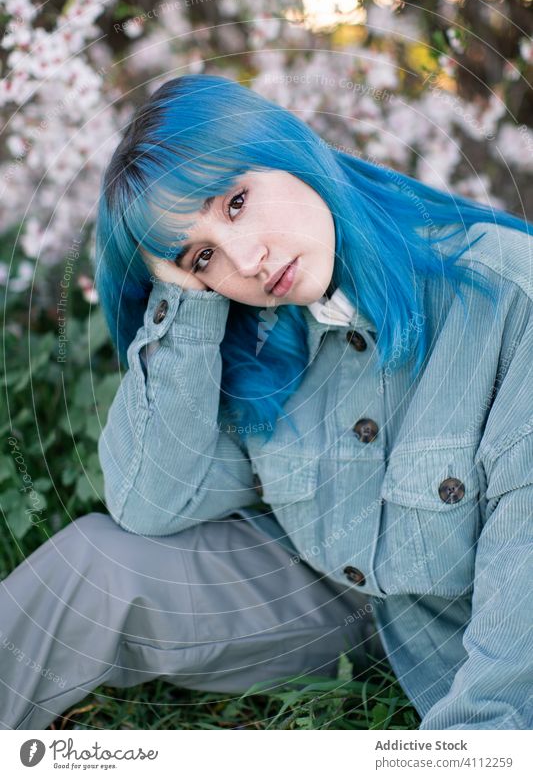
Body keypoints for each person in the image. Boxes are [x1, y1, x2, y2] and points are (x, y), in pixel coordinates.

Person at [1, 74, 532, 731]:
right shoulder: (255, 333)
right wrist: (185, 296)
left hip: (461, 636)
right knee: (90, 563)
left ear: (282, 145)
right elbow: (149, 503)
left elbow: (521, 610)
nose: (246, 260)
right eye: (202, 256)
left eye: (234, 202)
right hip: (336, 594)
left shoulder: (508, 299)